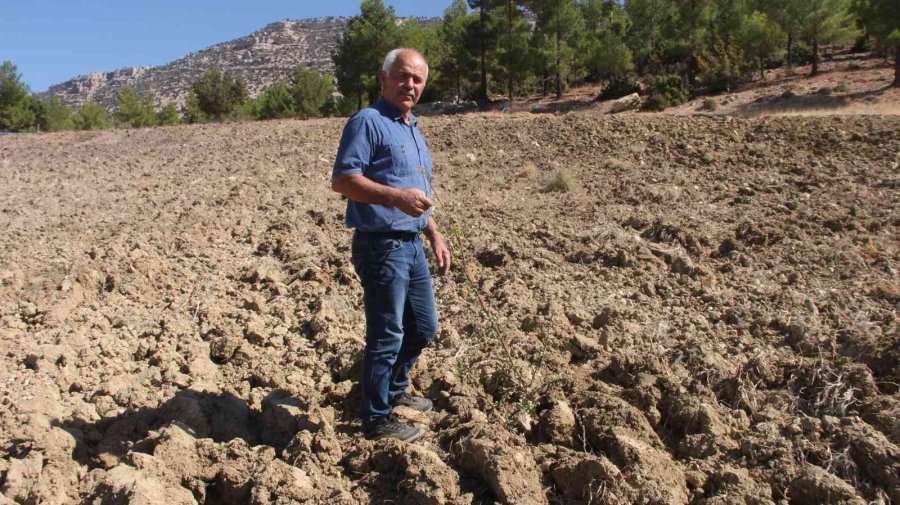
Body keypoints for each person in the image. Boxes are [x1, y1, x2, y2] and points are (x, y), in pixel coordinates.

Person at [331, 48, 451, 443]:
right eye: (402, 76)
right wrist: (395, 197)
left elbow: (416, 194)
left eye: (417, 79)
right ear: (384, 79)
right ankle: (376, 418)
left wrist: (433, 233)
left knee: (424, 326)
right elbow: (343, 180)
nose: (409, 85)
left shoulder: (411, 128)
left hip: (411, 244)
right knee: (386, 334)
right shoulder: (368, 122)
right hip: (381, 245)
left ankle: (393, 390)